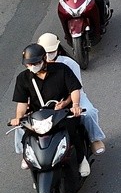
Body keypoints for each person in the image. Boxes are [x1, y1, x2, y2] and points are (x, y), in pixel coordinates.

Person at [10, 44, 89, 179]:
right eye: (29, 64)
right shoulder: (23, 78)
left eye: (36, 63)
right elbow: (22, 103)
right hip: (39, 117)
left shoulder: (61, 69)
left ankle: (82, 160)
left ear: (44, 59)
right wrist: (18, 118)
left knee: (71, 132)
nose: (32, 66)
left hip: (62, 113)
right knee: (27, 137)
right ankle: (30, 161)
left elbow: (74, 89)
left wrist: (74, 105)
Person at [37, 33, 105, 155]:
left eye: (51, 52)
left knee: (89, 113)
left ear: (57, 49)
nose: (48, 56)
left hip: (73, 97)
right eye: (44, 53)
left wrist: (69, 103)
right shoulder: (36, 66)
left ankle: (95, 138)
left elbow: (75, 88)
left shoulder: (69, 64)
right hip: (48, 101)